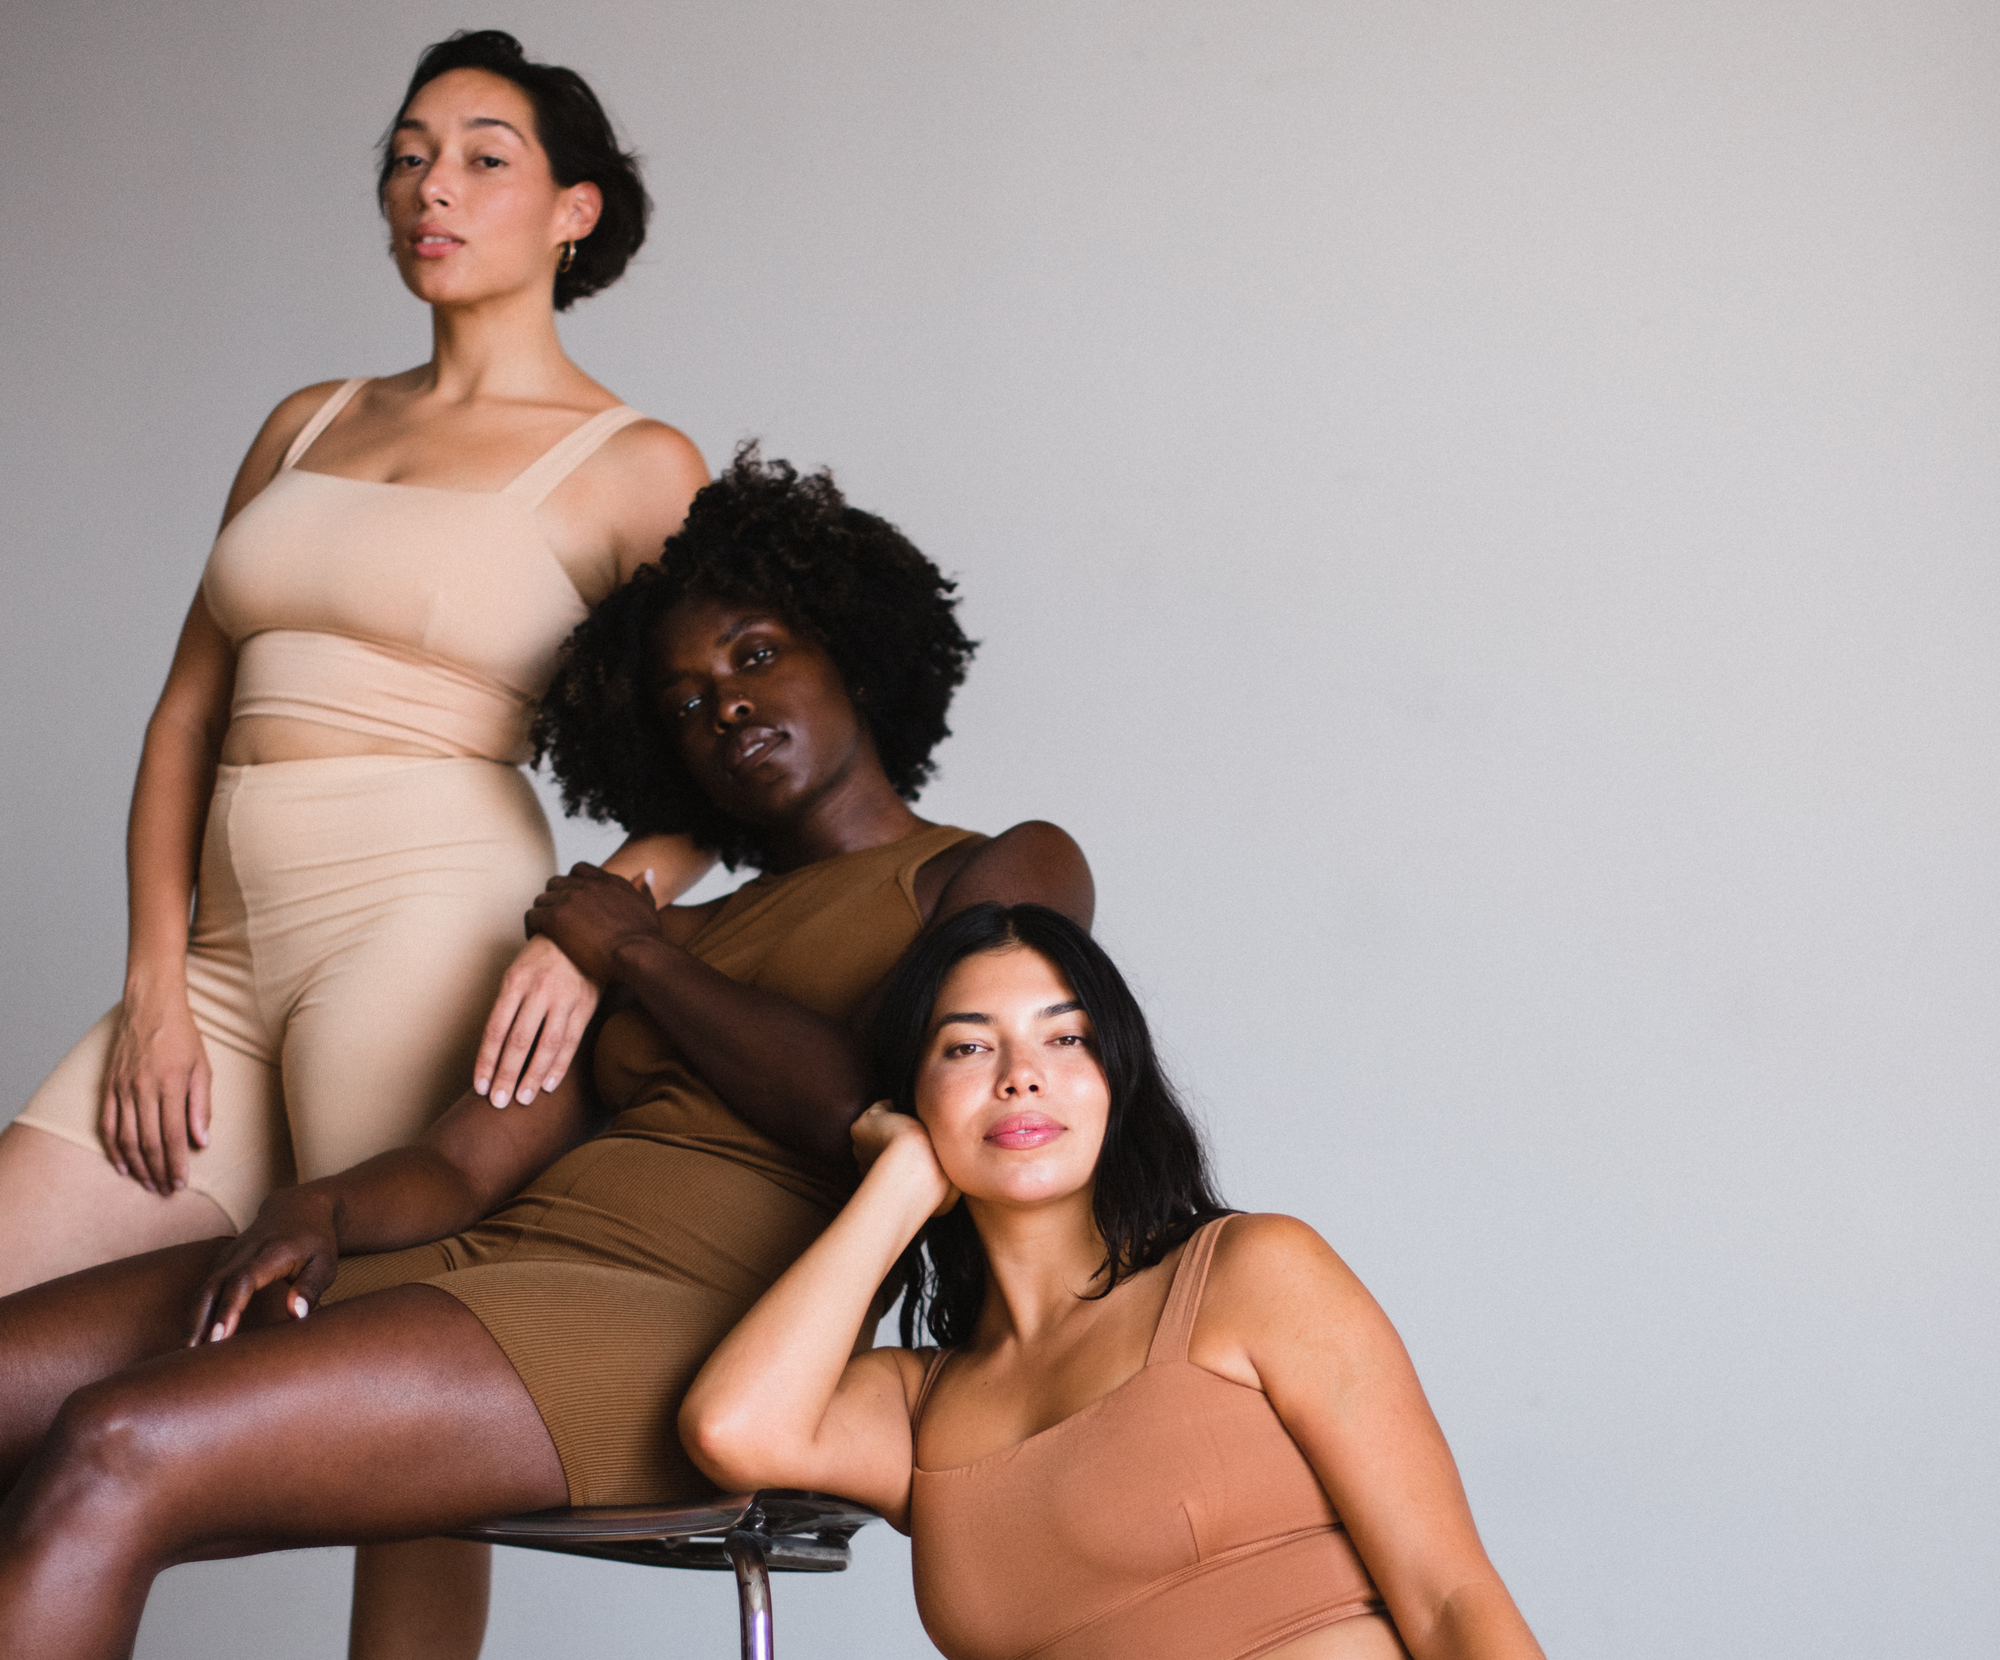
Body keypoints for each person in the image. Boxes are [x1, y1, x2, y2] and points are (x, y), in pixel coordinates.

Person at [0, 454, 1094, 1660]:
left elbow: (887, 1110)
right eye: (684, 704)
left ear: (851, 653)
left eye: (755, 655)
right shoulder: (657, 934)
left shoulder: (992, 868)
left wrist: (635, 954)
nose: (724, 707)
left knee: (113, 1447)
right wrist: (321, 1205)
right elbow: (463, 1166)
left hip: (684, 1328)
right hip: (481, 1263)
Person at [0, 29, 708, 1653]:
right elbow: (185, 717)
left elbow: (723, 767)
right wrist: (157, 981)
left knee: (388, 1392)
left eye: (482, 158)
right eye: (406, 155)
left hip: (423, 931)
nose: (429, 187)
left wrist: (595, 926)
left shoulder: (635, 463)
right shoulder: (305, 420)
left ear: (577, 211)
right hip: (220, 955)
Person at [682, 903, 1546, 1660]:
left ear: (1115, 1077)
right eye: (968, 1047)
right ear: (914, 1095)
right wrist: (899, 1182)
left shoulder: (1249, 1273)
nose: (1020, 1074)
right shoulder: (917, 1406)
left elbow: (1450, 1599)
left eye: (1066, 1039)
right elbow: (731, 1429)